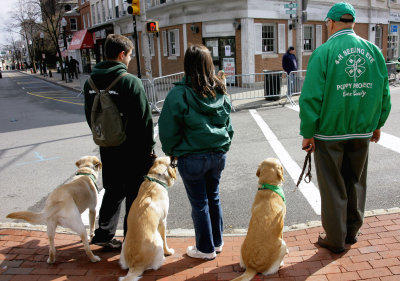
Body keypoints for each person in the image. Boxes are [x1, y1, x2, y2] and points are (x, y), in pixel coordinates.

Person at [299, 2, 391, 254]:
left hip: (329, 133)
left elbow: (310, 98)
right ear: (352, 22)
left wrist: (308, 132)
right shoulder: (373, 51)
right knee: (356, 181)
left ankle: (335, 238)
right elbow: (384, 93)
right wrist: (377, 124)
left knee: (332, 186)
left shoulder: (324, 52)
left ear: (330, 23)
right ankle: (352, 230)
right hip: (361, 131)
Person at [158, 44, 234, 260]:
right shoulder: (220, 91)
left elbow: (168, 130)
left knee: (200, 202)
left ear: (186, 65)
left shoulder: (178, 94)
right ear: (210, 64)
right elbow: (228, 126)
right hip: (217, 154)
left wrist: (172, 151)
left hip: (191, 157)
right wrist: (223, 146)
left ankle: (205, 248)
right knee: (214, 197)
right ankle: (216, 243)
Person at [83, 34, 155, 249]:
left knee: (113, 190)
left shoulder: (90, 82)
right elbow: (144, 120)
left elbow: (90, 115)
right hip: (133, 149)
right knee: (134, 193)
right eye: (130, 55)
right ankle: (131, 239)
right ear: (122, 54)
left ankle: (104, 234)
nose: (130, 60)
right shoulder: (130, 82)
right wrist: (149, 149)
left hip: (107, 145)